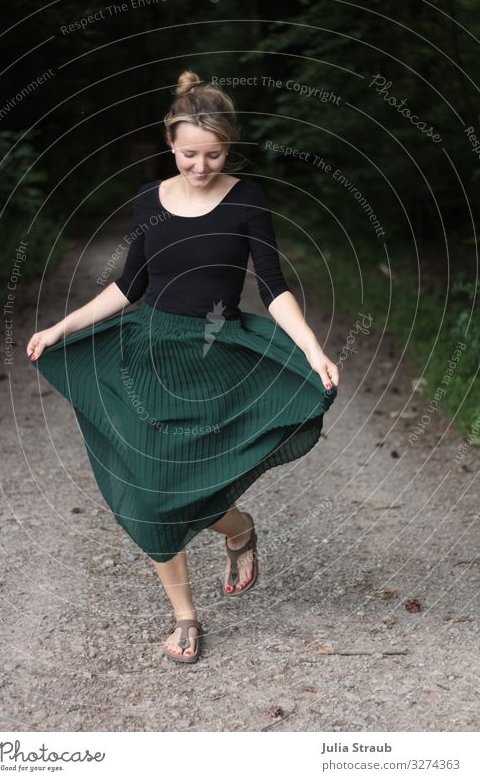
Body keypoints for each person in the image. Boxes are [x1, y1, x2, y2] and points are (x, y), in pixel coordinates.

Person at [26, 69, 339, 665]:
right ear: (171, 144)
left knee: (195, 478)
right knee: (149, 489)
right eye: (190, 154)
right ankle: (184, 615)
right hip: (148, 351)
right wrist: (62, 326)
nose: (201, 166)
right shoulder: (150, 201)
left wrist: (313, 350)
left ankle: (239, 528)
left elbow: (272, 288)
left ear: (229, 146)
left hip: (215, 353)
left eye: (214, 154)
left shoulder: (247, 199)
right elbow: (129, 285)